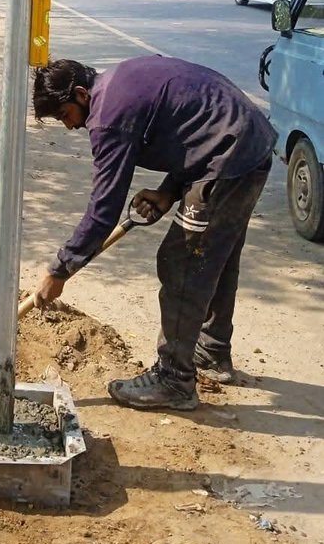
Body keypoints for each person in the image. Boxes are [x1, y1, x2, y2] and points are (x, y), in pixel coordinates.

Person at [30, 56, 276, 411]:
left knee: (182, 261)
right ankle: (211, 350)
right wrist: (168, 192)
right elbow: (192, 129)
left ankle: (174, 380)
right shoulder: (118, 81)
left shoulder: (108, 117)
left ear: (81, 95)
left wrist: (60, 270)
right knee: (215, 256)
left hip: (230, 158)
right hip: (245, 145)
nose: (69, 127)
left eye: (65, 116)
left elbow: (103, 210)